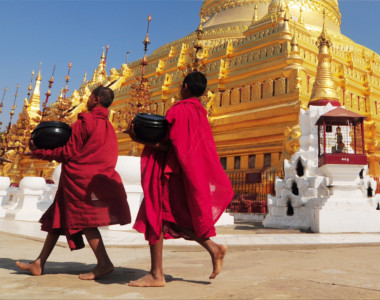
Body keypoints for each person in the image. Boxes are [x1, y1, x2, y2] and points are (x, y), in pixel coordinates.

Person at [128, 71, 233, 287]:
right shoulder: (200, 113)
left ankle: (157, 275)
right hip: (186, 173)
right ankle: (213, 248)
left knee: (155, 217)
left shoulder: (180, 110)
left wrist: (137, 137)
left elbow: (170, 145)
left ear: (185, 86)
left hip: (168, 173)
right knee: (171, 219)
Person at [16, 86, 130, 280]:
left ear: (95, 99)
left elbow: (66, 153)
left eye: (90, 96)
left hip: (79, 180)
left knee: (85, 221)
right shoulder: (110, 128)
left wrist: (39, 153)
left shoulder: (85, 122)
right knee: (56, 219)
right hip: (93, 179)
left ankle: (104, 262)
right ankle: (39, 263)